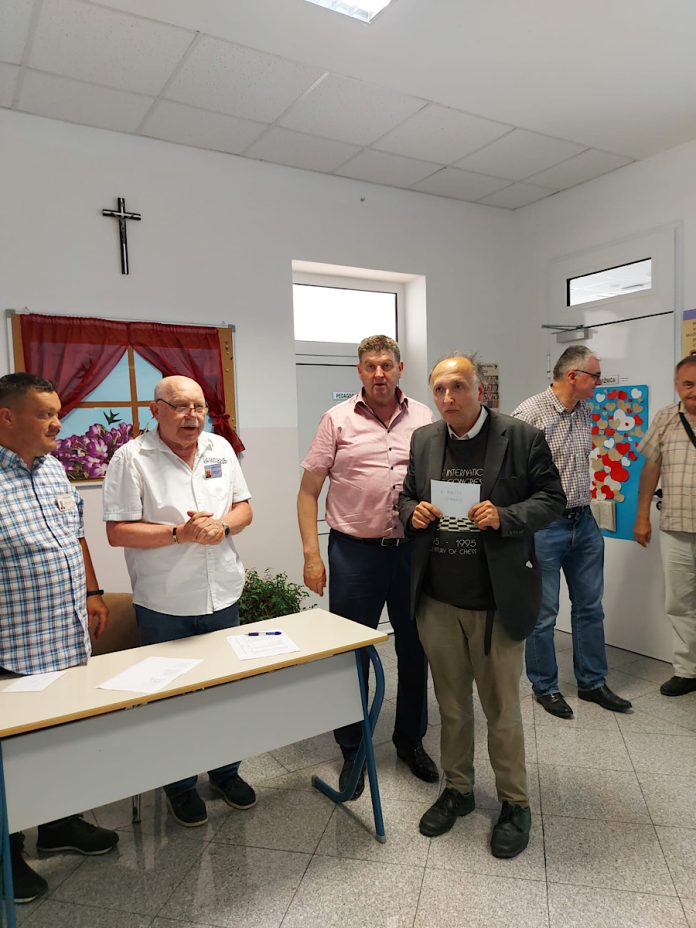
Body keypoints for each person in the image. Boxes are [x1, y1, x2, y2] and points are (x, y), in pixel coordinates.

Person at [399, 353, 565, 858]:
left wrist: (506, 516)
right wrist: (413, 512)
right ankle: (459, 789)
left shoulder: (521, 437)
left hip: (495, 601)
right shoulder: (424, 439)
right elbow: (405, 497)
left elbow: (552, 499)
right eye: (439, 389)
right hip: (438, 601)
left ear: (480, 390)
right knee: (451, 707)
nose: (448, 398)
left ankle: (515, 802)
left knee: (502, 711)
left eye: (458, 387)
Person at [103, 375, 255, 827]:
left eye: (199, 407)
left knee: (225, 692)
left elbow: (244, 508)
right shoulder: (131, 458)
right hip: (164, 603)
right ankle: (180, 785)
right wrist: (179, 533)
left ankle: (226, 772)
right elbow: (117, 531)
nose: (192, 416)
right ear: (156, 410)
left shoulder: (219, 448)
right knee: (170, 699)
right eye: (181, 407)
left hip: (223, 595)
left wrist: (222, 526)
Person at [298, 335, 438, 798]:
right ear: (359, 371)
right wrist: (312, 555)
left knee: (415, 647)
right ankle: (352, 748)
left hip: (412, 551)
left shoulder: (424, 417)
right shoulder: (336, 419)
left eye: (386, 365)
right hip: (354, 553)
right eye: (370, 366)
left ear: (400, 368)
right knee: (351, 652)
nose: (379, 373)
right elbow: (308, 492)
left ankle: (410, 740)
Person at [0, 373, 118, 904]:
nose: (56, 423)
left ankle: (58, 825)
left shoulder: (52, 468)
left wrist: (93, 590)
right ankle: (6, 854)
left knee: (59, 742)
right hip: (10, 650)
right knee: (9, 759)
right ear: (7, 417)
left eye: (57, 412)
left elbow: (75, 535)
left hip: (65, 639)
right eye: (45, 414)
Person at [512, 346, 632, 718]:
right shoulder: (529, 414)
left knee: (590, 607)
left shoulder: (585, 410)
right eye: (595, 376)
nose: (599, 382)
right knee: (544, 612)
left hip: (584, 521)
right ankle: (545, 687)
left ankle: (592, 682)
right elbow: (512, 474)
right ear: (573, 377)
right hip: (545, 526)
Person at [633, 355, 696, 696]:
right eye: (688, 384)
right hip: (676, 525)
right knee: (680, 602)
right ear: (677, 385)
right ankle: (688, 671)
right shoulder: (666, 418)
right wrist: (642, 516)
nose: (694, 391)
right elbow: (651, 470)